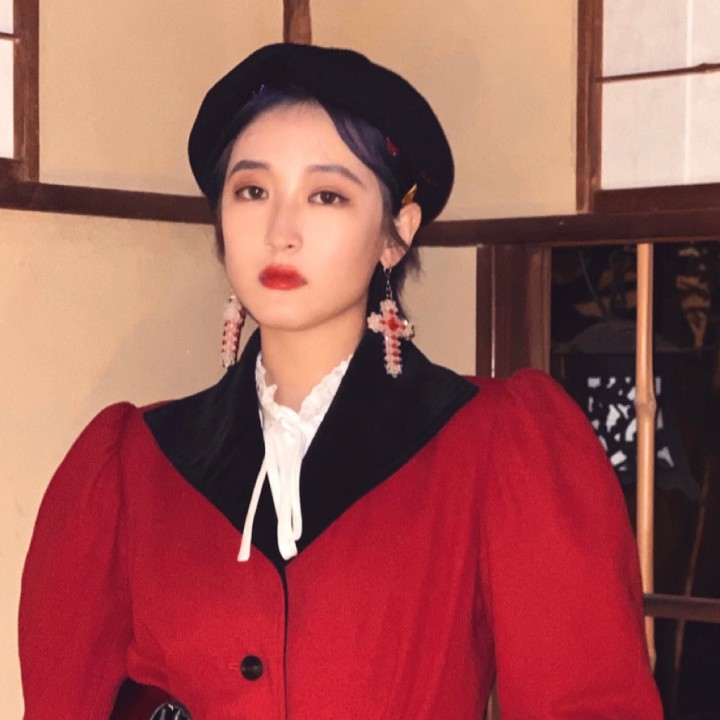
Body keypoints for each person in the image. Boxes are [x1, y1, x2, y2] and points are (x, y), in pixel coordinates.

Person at [19, 43, 663, 719]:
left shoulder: (501, 442)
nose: (281, 231)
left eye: (326, 195)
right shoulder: (129, 464)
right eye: (252, 191)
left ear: (395, 233)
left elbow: (588, 705)